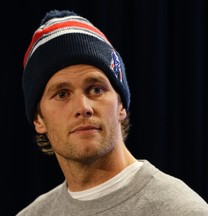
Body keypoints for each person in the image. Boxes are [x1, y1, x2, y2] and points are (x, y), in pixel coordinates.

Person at [16, 9, 208, 216]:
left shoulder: (181, 210)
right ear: (38, 119)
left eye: (96, 89)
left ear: (121, 105)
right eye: (62, 94)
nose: (83, 107)